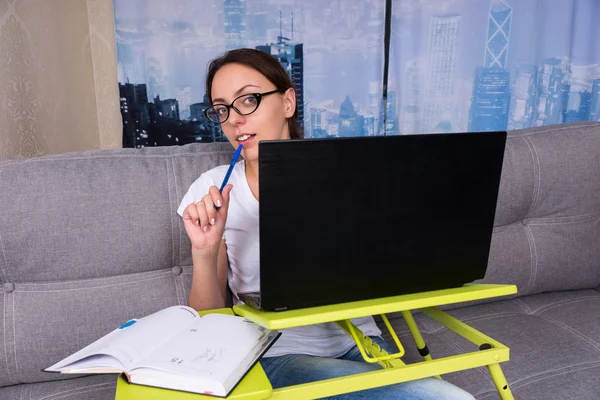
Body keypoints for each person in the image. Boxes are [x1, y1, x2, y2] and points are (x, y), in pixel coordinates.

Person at [177, 48, 475, 400]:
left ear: (287, 103)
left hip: (362, 345)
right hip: (276, 354)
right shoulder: (211, 190)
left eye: (249, 100)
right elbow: (209, 322)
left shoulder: (348, 174)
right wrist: (205, 250)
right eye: (223, 109)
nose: (234, 120)